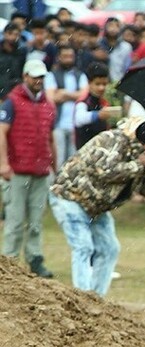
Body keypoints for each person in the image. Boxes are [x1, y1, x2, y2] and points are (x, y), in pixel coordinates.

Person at [48, 119, 145, 296]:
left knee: (109, 248)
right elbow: (105, 170)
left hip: (95, 206)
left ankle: (96, 299)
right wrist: (138, 164)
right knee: (83, 246)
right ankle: (81, 298)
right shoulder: (114, 140)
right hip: (70, 195)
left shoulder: (143, 155)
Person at [0, 59, 55, 278]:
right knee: (14, 221)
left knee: (35, 222)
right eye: (35, 76)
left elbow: (50, 139)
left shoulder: (47, 105)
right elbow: (1, 133)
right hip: (17, 170)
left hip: (40, 171)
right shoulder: (11, 103)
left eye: (41, 77)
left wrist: (54, 166)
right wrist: (3, 163)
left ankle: (35, 259)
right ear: (25, 77)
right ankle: (9, 262)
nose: (38, 81)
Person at [44, 44, 87, 168]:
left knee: (74, 160)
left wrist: (64, 93)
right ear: (59, 57)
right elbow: (51, 98)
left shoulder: (80, 75)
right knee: (59, 160)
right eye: (65, 56)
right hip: (58, 124)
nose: (68, 59)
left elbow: (84, 95)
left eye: (70, 56)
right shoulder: (52, 75)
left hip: (75, 124)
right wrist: (74, 95)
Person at [73, 62, 119, 150]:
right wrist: (97, 115)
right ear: (89, 83)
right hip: (84, 149)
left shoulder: (104, 102)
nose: (101, 88)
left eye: (104, 84)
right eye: (97, 84)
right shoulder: (83, 102)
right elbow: (79, 119)